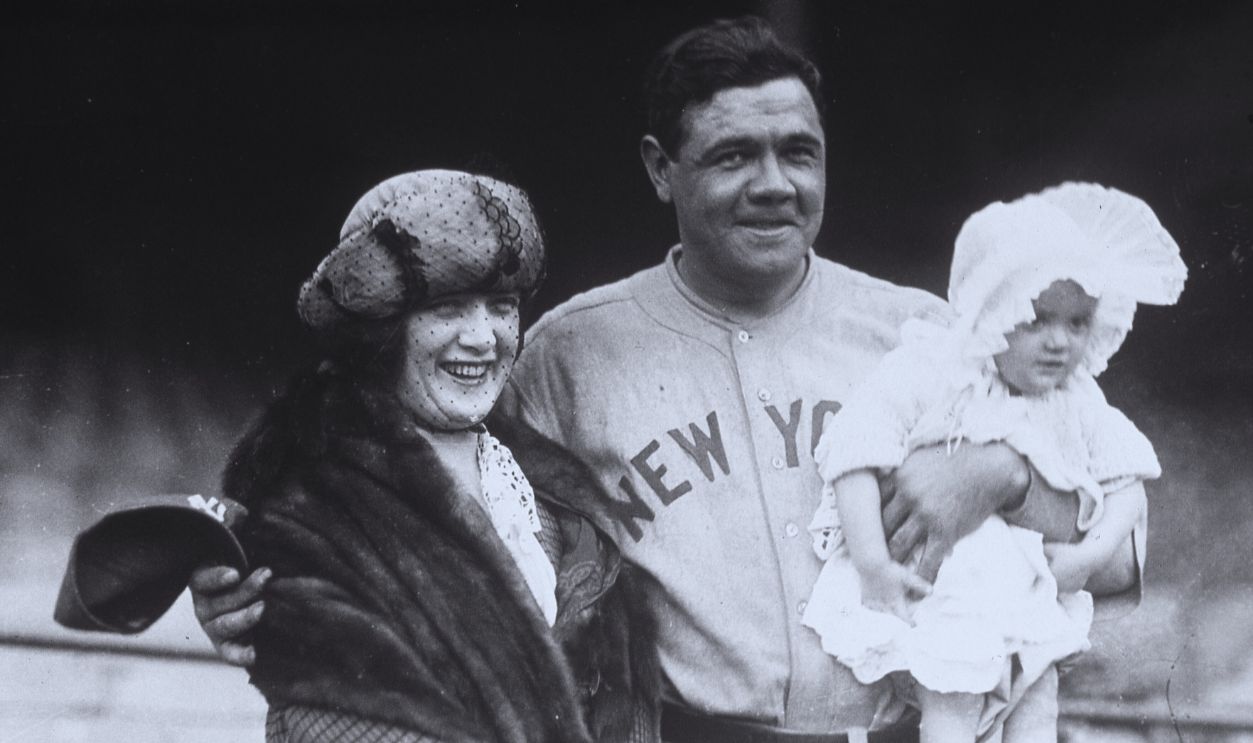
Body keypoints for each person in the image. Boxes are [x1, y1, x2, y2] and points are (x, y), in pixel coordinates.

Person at [193, 18, 1142, 741]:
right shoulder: (566, 351)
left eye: (797, 152)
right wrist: (246, 581)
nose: (774, 183)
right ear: (660, 168)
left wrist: (1004, 478)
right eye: (733, 155)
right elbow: (409, 498)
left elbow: (1125, 551)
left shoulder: (931, 336)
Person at [211, 168, 659, 742]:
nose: (484, 337)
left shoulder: (540, 481)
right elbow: (332, 724)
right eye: (448, 308)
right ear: (383, 328)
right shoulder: (311, 513)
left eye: (501, 305)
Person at [802, 182, 1186, 742]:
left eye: (1077, 323)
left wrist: (1091, 552)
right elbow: (855, 451)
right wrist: (871, 563)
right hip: (947, 590)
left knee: (1037, 700)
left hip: (1024, 589)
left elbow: (1129, 479)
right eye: (1037, 320)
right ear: (989, 313)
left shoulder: (1074, 399)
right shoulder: (933, 369)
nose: (1059, 343)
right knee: (952, 702)